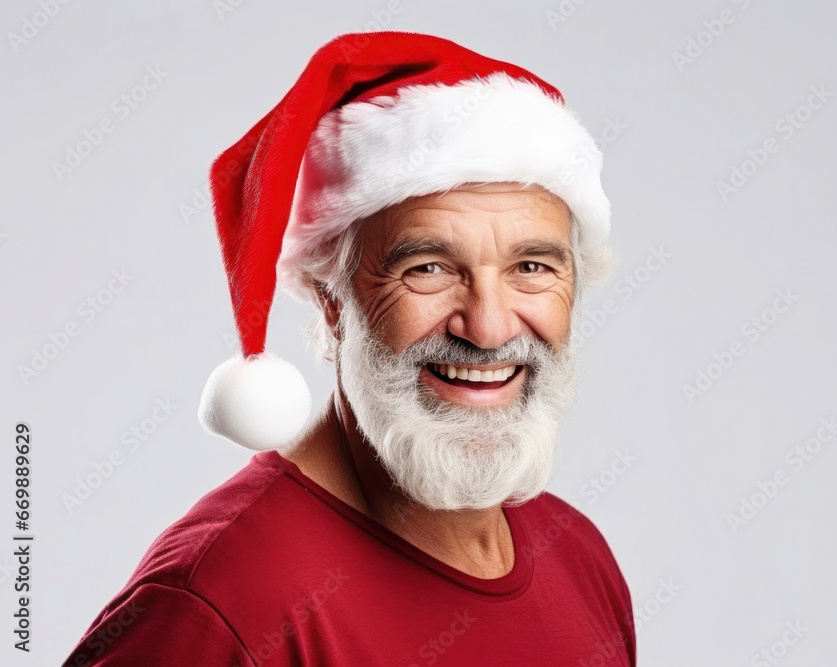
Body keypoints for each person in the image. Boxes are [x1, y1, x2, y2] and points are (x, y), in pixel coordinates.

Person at [65, 31, 636, 666]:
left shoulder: (580, 558)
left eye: (532, 267)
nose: (490, 327)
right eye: (427, 268)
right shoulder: (220, 603)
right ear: (332, 299)